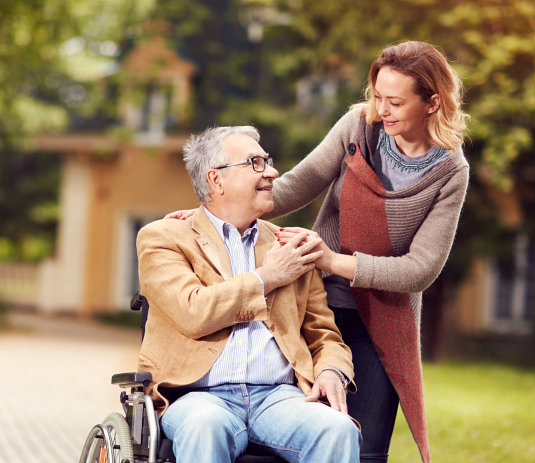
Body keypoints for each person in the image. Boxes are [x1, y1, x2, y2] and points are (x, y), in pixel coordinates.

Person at [167, 40, 469, 463]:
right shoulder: (358, 128)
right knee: (294, 424)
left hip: (382, 316)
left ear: (432, 102)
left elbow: (420, 270)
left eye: (396, 101)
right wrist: (214, 211)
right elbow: (298, 183)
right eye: (378, 96)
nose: (382, 109)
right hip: (315, 299)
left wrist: (330, 260)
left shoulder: (450, 171)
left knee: (362, 446)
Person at [136, 125, 362, 463]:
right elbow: (192, 311)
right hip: (199, 396)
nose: (272, 171)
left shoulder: (291, 246)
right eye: (255, 162)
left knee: (338, 429)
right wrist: (266, 277)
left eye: (267, 161)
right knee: (204, 426)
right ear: (216, 180)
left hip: (279, 398)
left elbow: (324, 335)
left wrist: (332, 369)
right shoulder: (163, 238)